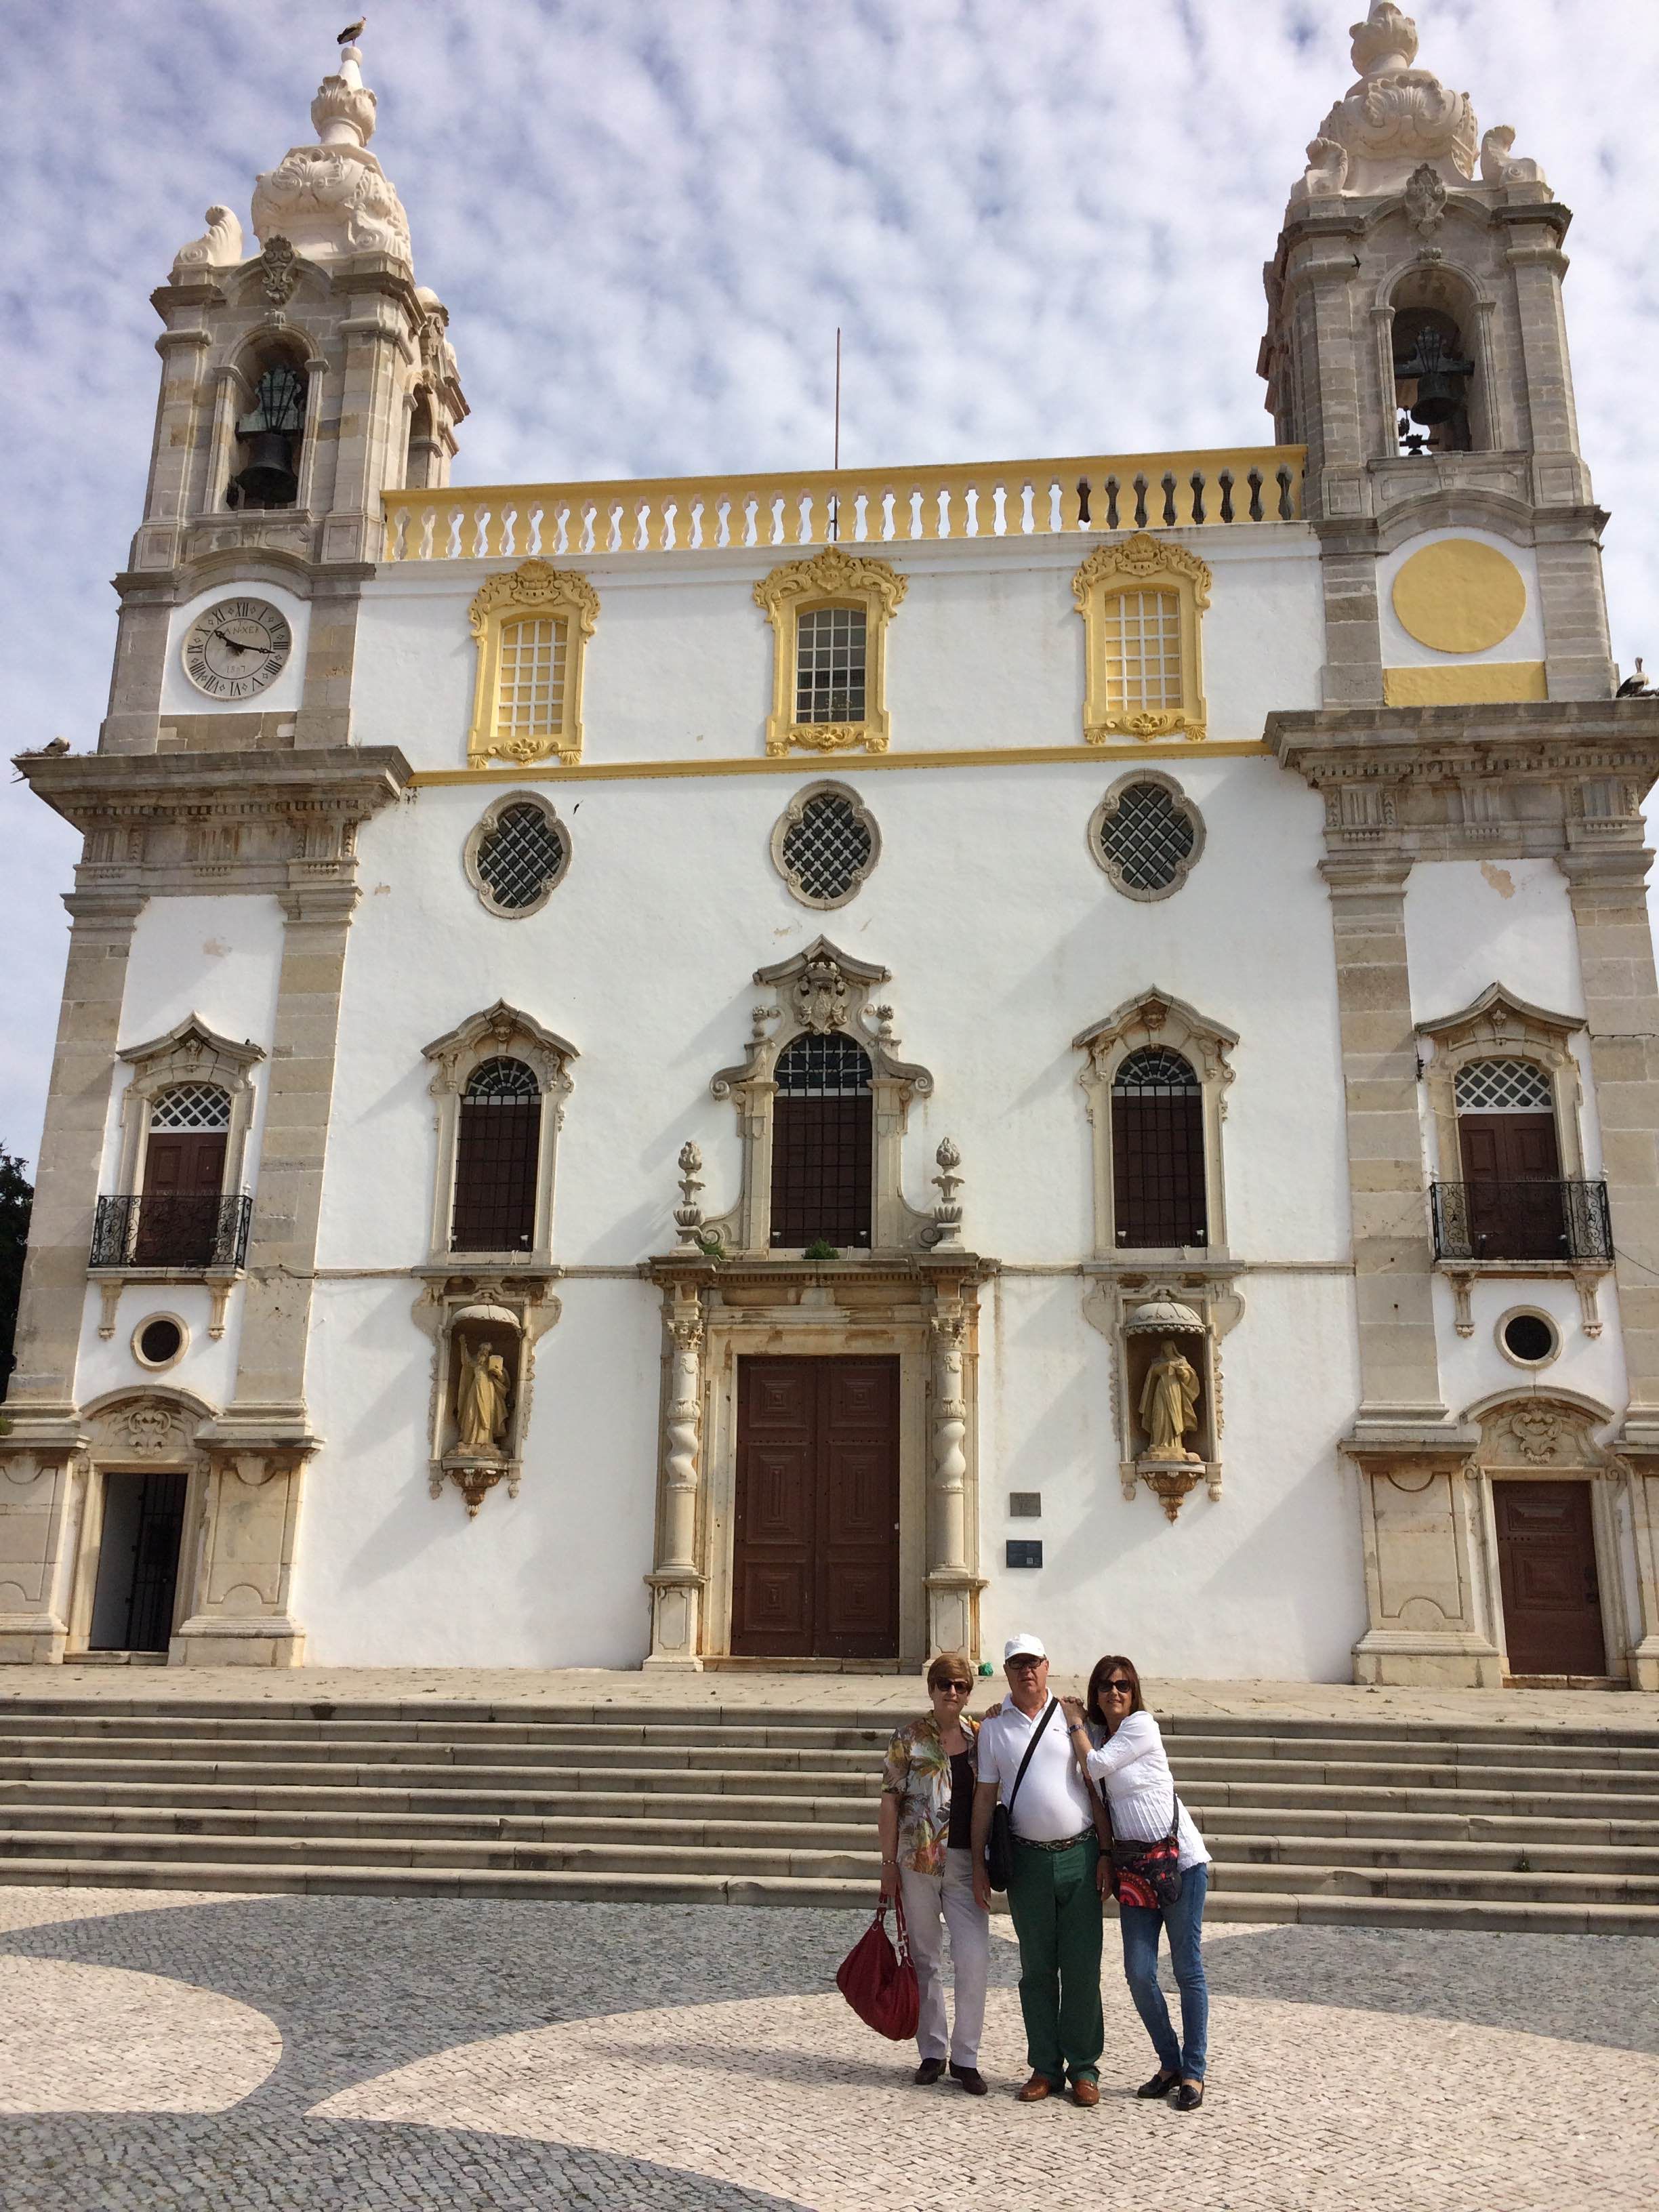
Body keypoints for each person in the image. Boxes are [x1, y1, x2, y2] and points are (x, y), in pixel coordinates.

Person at [1061, 1654, 1211, 2112]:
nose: (1115, 1693)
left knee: (1187, 1970)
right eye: (1105, 1686)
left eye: (1123, 1685)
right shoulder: (1099, 1733)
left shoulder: (1142, 1725)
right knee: (1139, 1972)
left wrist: (1074, 1725)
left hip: (1179, 1861)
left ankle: (1194, 2071)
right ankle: (1170, 2062)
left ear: (1135, 1690)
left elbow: (1099, 1766)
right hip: (1133, 1866)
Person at [970, 1634, 1104, 2106]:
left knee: (1083, 1967)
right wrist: (979, 1863)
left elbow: (1096, 1780)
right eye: (1017, 1665)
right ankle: (1045, 2066)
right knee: (1037, 1970)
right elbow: (986, 1796)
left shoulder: (1071, 1718)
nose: (1026, 1671)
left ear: (1048, 1666)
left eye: (1033, 1663)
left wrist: (1107, 1853)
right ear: (1006, 1672)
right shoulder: (993, 1728)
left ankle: (1084, 2067)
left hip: (1080, 1854)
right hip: (1026, 1860)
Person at [878, 1651, 990, 2093]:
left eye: (961, 1686)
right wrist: (888, 1864)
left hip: (966, 1863)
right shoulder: (908, 1737)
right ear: (932, 1688)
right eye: (945, 1684)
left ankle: (966, 2057)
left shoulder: (981, 1737)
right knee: (925, 1958)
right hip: (918, 1861)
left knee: (974, 1960)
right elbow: (890, 1800)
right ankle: (932, 2051)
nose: (953, 1692)